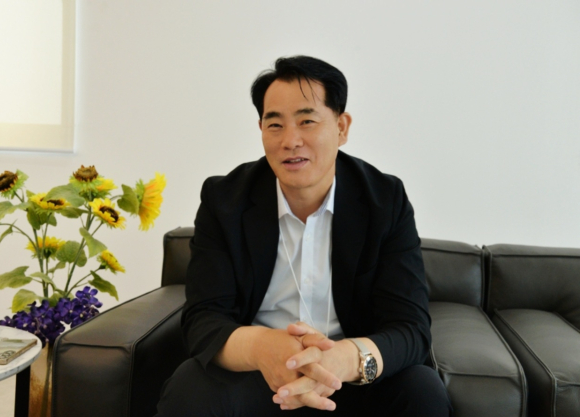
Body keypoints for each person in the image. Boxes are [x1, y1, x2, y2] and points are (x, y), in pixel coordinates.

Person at [155, 56, 452, 416]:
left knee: (421, 390)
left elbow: (411, 328)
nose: (290, 141)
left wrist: (345, 359)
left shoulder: (384, 200)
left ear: (341, 127)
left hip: (351, 376)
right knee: (190, 386)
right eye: (274, 124)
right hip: (259, 375)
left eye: (307, 121)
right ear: (261, 129)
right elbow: (203, 320)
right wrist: (263, 347)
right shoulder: (225, 200)